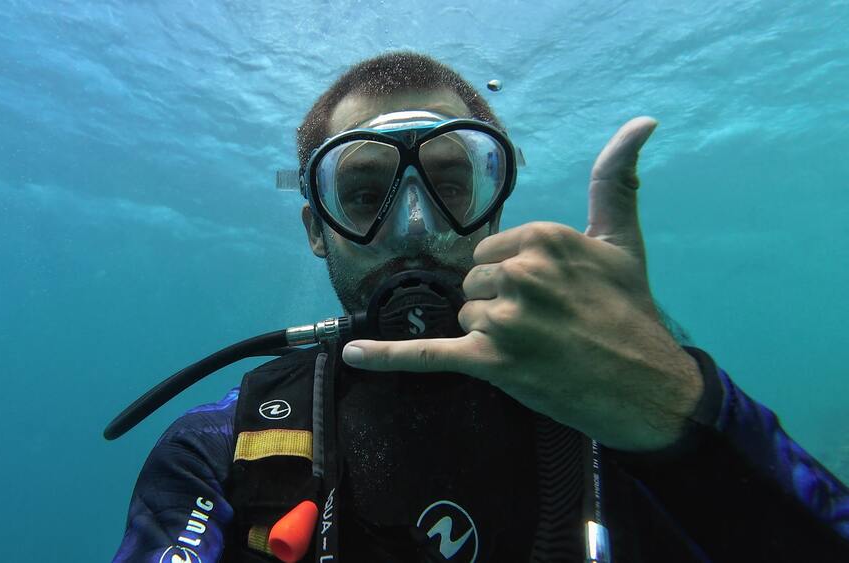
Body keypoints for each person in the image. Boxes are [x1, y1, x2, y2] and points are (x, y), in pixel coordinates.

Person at [111, 52, 849, 562]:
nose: (412, 229)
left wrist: (680, 404)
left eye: (450, 185)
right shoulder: (220, 449)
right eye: (365, 195)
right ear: (317, 228)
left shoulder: (613, 397)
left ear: (491, 208)